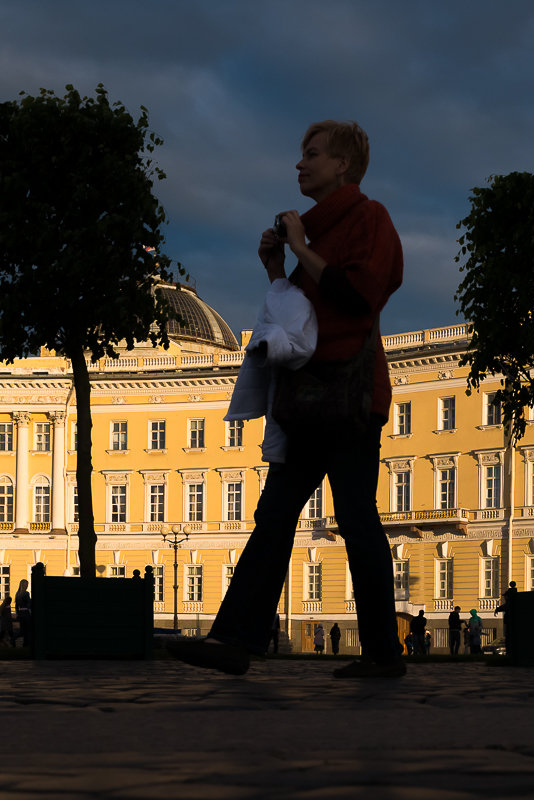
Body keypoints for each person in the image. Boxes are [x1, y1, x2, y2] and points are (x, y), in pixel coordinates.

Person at [169, 120, 405, 679]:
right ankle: (234, 639)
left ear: (342, 165)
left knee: (354, 517)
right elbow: (298, 318)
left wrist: (300, 248)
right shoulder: (314, 237)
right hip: (307, 400)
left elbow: (360, 295)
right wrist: (279, 269)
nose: (300, 165)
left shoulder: (370, 219)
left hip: (349, 395)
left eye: (312, 155)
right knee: (273, 516)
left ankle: (383, 652)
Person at [14, 578, 32, 648]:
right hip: (26, 614)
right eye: (27, 584)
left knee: (22, 630)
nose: (27, 586)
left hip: (21, 614)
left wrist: (18, 614)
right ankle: (26, 644)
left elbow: (16, 607)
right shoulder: (26, 593)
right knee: (27, 630)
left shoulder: (17, 594)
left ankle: (14, 639)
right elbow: (29, 605)